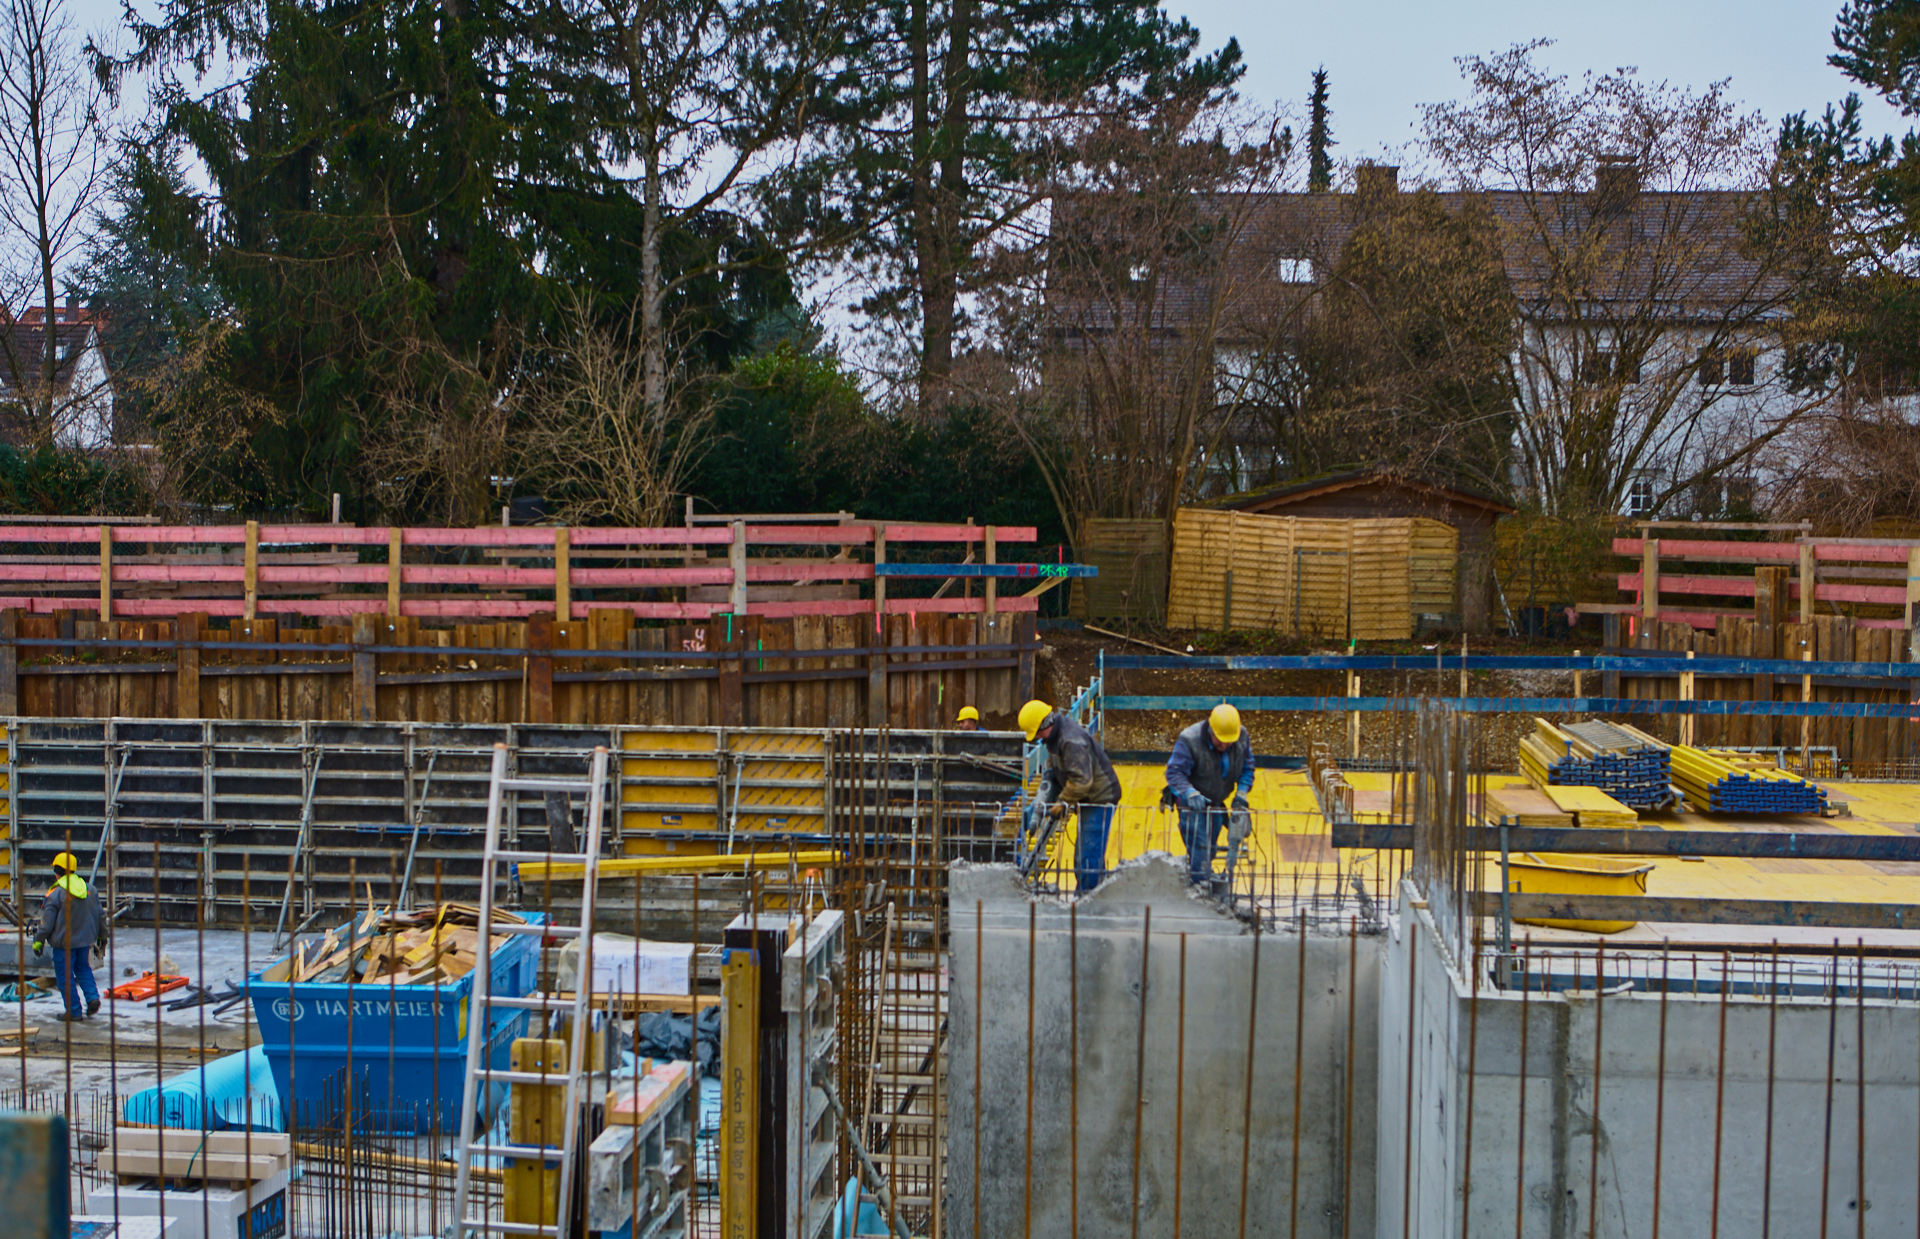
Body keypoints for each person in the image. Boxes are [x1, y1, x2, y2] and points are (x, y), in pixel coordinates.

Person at [1018, 699, 1122, 892]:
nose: (1038, 738)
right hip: (1087, 797)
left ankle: (1088, 902)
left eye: (1038, 732)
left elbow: (1081, 782)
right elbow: (1054, 772)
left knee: (1087, 858)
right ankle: (1099, 892)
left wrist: (1062, 802)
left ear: (1045, 724)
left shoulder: (1071, 741)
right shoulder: (1054, 736)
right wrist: (1043, 801)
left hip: (1099, 799)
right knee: (1085, 857)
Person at [1165, 704, 1255, 891]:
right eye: (1220, 741)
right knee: (1200, 847)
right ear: (1210, 730)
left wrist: (1241, 795)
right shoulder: (1190, 740)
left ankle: (1202, 878)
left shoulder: (1240, 737)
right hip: (1191, 803)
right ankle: (1200, 888)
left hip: (1215, 801)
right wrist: (1189, 792)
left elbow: (1247, 768)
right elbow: (1174, 772)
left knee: (1210, 847)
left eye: (1228, 743)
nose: (1224, 746)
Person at [34, 851, 104, 1022]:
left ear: (57, 871)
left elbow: (47, 923)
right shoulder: (90, 889)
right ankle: (92, 997)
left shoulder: (56, 894)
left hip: (63, 944)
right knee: (83, 968)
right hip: (84, 941)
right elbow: (100, 915)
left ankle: (73, 1011)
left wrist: (38, 940)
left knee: (65, 977)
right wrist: (103, 936)